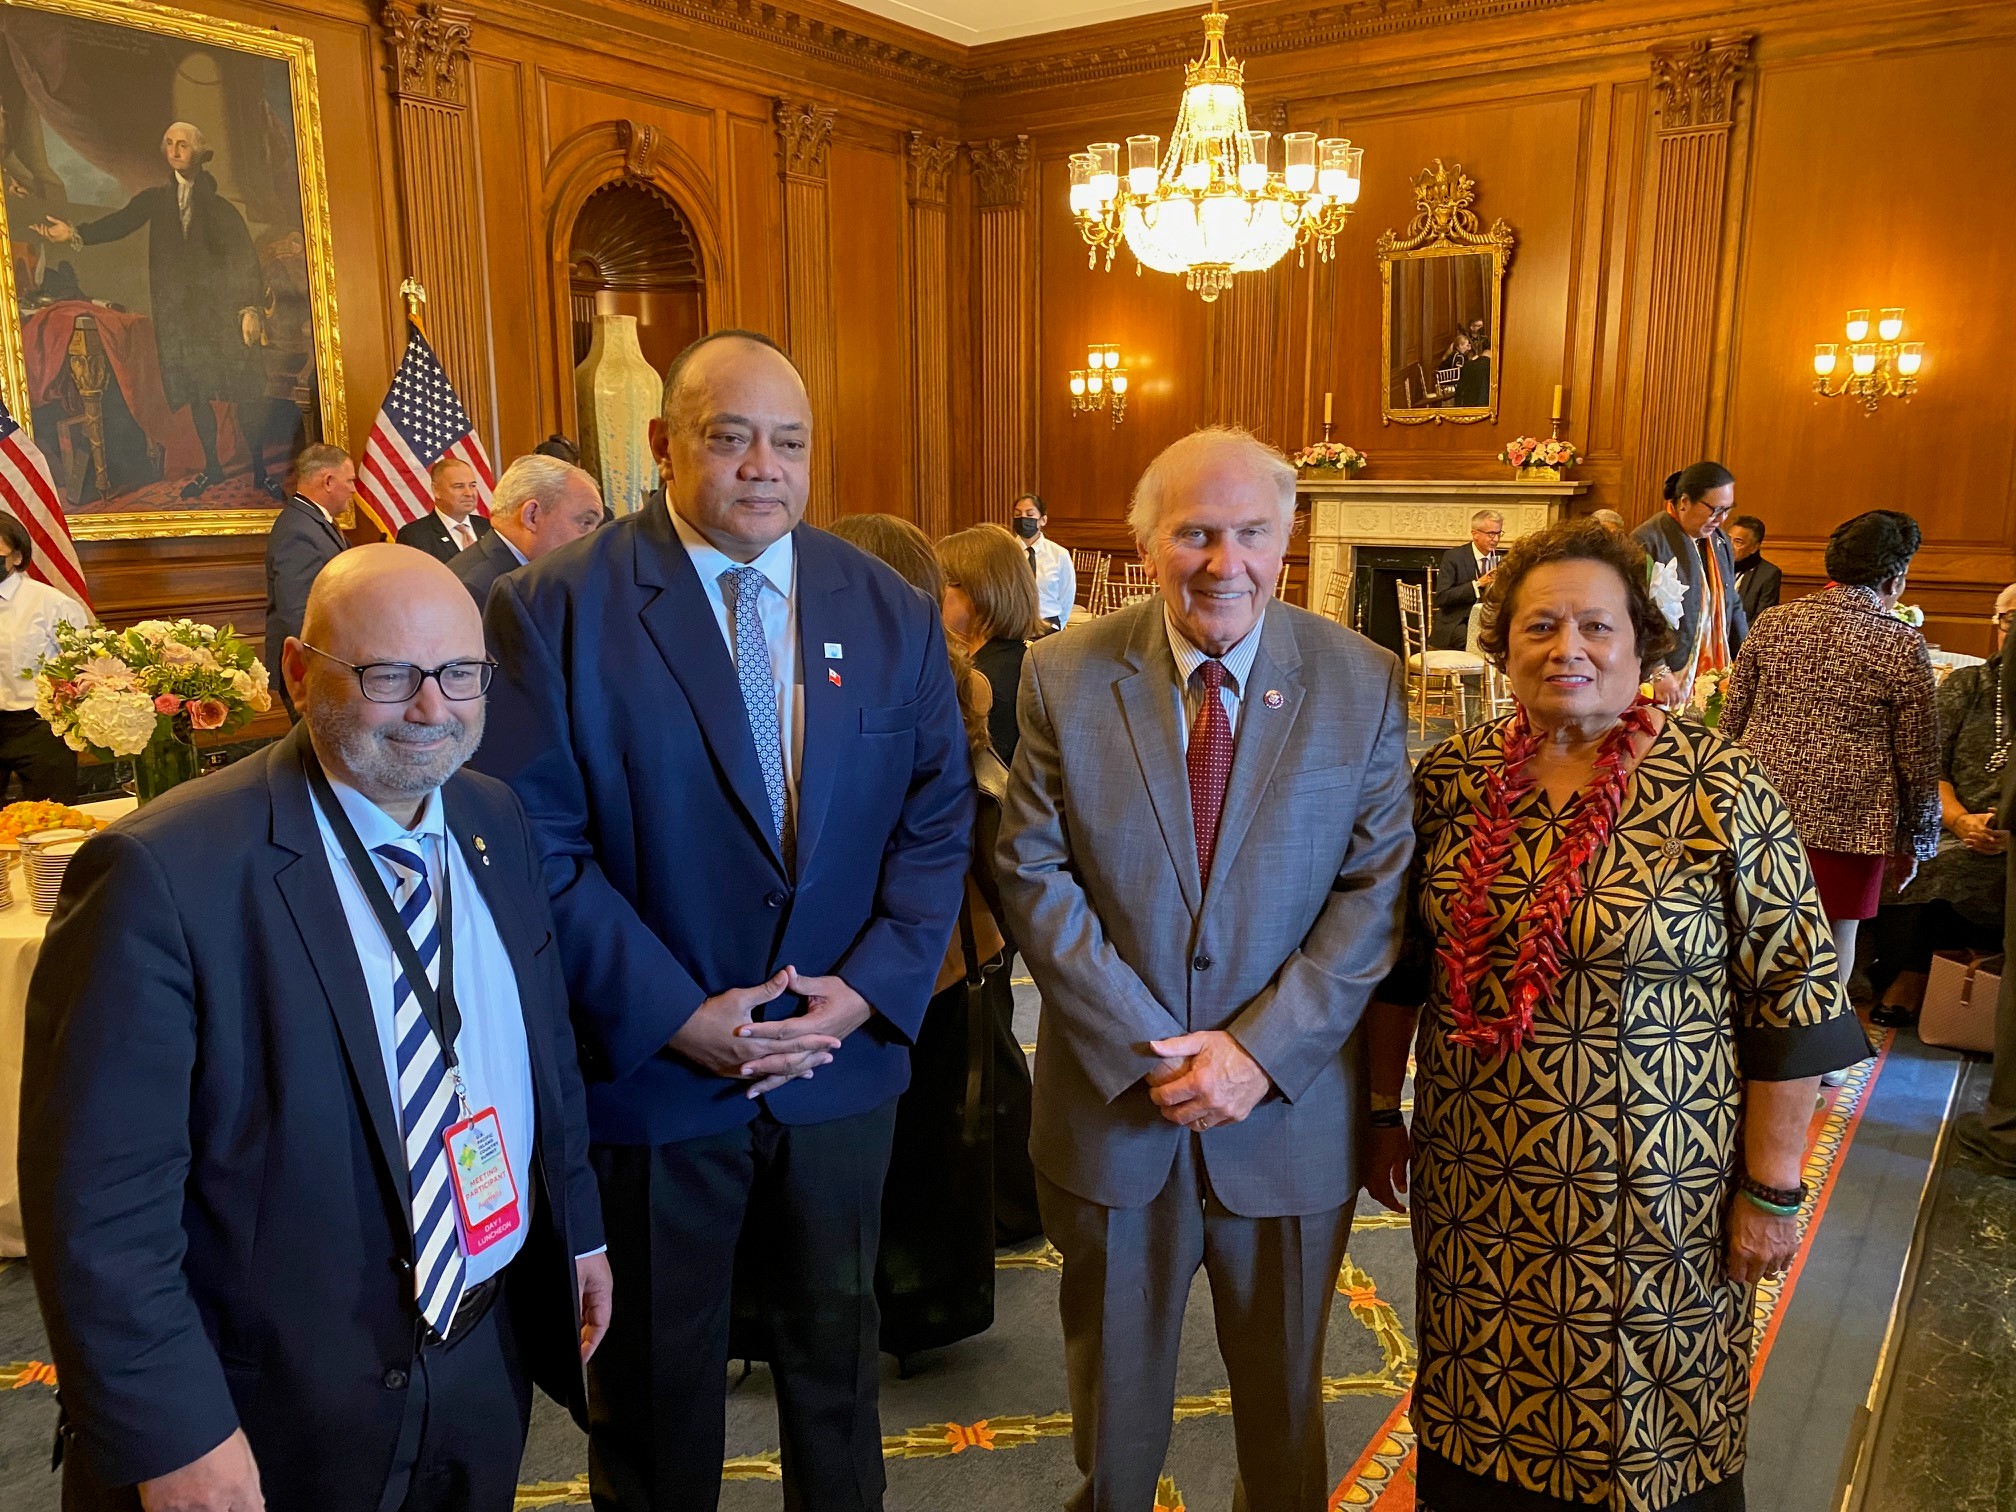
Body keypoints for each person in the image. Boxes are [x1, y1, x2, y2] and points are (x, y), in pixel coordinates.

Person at [474, 329, 972, 1511]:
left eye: (788, 443)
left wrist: (866, 990)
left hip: (838, 1068)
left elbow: (937, 820)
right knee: (653, 1402)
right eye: (730, 437)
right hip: (654, 1076)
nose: (763, 467)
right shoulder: (552, 608)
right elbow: (535, 846)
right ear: (663, 444)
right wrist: (678, 1016)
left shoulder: (889, 608)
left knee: (840, 1384)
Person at [19, 545, 610, 1512]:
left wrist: (578, 1232)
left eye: (459, 673)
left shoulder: (492, 818)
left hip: (477, 1361)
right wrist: (174, 1433)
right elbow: (99, 1206)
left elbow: (543, 1050)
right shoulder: (162, 874)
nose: (431, 708)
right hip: (265, 1410)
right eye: (388, 675)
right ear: (298, 672)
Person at [1368, 517, 1865, 1512]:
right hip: (1478, 1192)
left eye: (1597, 626)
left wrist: (1773, 1190)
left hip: (1658, 1198)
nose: (1569, 649)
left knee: (1644, 1435)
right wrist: (1381, 1111)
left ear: (1643, 644)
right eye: (1540, 626)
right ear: (1502, 645)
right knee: (1479, 1411)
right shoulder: (1452, 781)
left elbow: (1797, 997)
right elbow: (1399, 970)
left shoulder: (1719, 785)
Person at [997, 426, 1413, 1512]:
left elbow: (1375, 893)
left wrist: (1256, 1055)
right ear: (1146, 542)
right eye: (1194, 534)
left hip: (1287, 1116)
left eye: (1251, 534)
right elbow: (1033, 871)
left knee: (1285, 1415)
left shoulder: (1360, 679)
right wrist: (1155, 1052)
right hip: (1114, 1109)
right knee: (1114, 1417)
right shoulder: (1063, 673)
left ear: (1287, 539)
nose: (1225, 563)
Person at [827, 510, 1021, 1344]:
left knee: (893, 1128)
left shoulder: (936, 683)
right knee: (931, 1133)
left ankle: (886, 1299)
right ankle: (920, 1303)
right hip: (942, 937)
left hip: (911, 934)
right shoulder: (956, 675)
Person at [1721, 510, 1939, 1016]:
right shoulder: (1899, 641)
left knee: (1754, 928)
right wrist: (1918, 841)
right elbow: (1919, 757)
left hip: (1761, 808)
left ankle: (1745, 1037)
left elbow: (1731, 723)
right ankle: (1819, 1046)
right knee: (1836, 932)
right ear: (1895, 579)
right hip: (1851, 818)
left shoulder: (1774, 622)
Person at [31, 122, 279, 500]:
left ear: (200, 153)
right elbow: (121, 223)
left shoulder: (222, 209)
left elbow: (244, 259)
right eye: (169, 144)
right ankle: (212, 467)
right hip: (181, 320)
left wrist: (249, 310)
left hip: (223, 317)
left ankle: (260, 470)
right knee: (196, 393)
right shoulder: (156, 200)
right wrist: (75, 233)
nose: (174, 151)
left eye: (183, 145)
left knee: (243, 392)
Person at [1867, 582, 2016, 1028]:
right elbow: (1930, 769)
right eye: (2007, 621)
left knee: (1975, 870)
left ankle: (1918, 978)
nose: (2011, 633)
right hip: (1955, 824)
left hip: (2010, 838)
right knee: (1919, 860)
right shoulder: (1969, 684)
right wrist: (1960, 820)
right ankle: (1909, 974)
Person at [1633, 461, 1748, 707]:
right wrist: (1657, 669)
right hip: (1670, 672)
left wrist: (1747, 656)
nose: (1721, 519)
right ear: (1684, 501)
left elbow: (1732, 603)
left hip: (1714, 669)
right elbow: (1636, 613)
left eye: (1727, 510)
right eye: (1715, 510)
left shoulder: (1719, 541)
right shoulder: (1647, 541)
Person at [0, 510, 87, 800]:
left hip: (39, 728)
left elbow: (81, 668)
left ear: (16, 555)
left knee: (51, 818)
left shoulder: (52, 603)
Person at [938, 522, 1041, 765]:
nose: (933, 595)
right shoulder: (1026, 658)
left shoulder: (983, 681)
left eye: (940, 583)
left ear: (978, 591)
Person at [265, 442, 355, 719]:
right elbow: (297, 610)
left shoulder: (312, 521)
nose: (353, 489)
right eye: (350, 481)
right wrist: (322, 669)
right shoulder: (298, 529)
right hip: (311, 670)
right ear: (328, 481)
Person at [450, 454, 605, 610]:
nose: (593, 540)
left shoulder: (529, 576)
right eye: (586, 523)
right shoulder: (471, 592)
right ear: (532, 516)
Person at [399, 457, 495, 564]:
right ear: (436, 490)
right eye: (459, 486)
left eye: (472, 485)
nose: (469, 493)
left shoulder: (488, 528)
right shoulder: (415, 535)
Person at [1431, 509, 1503, 650]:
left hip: (1489, 621)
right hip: (1457, 621)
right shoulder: (1453, 557)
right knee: (1475, 642)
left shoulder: (1501, 560)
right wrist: (1477, 584)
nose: (1496, 539)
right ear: (1475, 534)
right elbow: (1442, 597)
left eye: (1499, 533)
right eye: (1491, 534)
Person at [1011, 493, 1075, 631]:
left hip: (1048, 624)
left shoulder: (1059, 554)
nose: (1023, 518)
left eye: (1030, 514)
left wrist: (1058, 626)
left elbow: (1067, 596)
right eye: (1018, 514)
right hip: (1013, 625)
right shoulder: (1005, 552)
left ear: (1043, 520)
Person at [1728, 513, 1782, 621]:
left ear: (1754, 547)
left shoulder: (1768, 574)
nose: (1729, 546)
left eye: (1738, 542)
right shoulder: (1716, 566)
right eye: (1728, 539)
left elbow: (1762, 619)